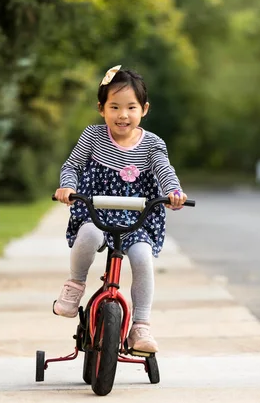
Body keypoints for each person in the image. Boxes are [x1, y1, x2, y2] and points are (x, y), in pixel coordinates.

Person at [53, 65, 187, 353]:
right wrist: (67, 187)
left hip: (137, 216)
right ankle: (75, 285)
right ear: (101, 109)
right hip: (96, 211)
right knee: (87, 235)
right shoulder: (93, 137)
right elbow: (72, 165)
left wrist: (173, 192)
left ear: (144, 109)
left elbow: (164, 170)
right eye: (114, 107)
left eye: (130, 107)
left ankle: (140, 326)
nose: (122, 115)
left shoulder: (152, 144)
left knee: (142, 259)